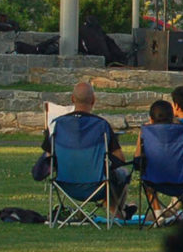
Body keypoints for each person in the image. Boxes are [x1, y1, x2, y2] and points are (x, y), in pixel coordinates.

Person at [40, 80, 131, 215]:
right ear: (93, 100)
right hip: (97, 185)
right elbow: (120, 159)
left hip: (65, 184)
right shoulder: (102, 126)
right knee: (121, 173)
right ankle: (117, 213)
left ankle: (117, 212)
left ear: (72, 99)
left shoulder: (56, 125)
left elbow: (47, 158)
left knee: (110, 175)